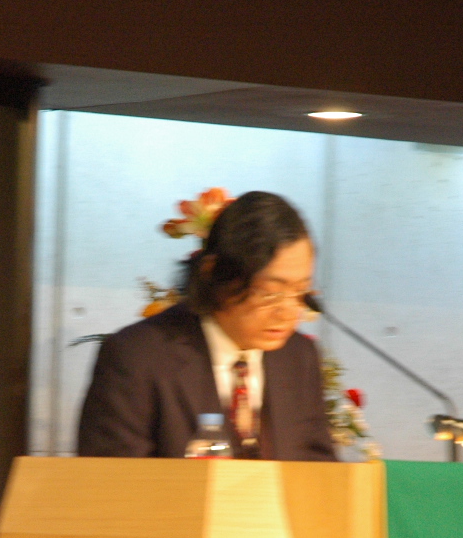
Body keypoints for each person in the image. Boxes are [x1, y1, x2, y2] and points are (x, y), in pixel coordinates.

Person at [77, 191, 337, 460]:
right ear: (213, 272)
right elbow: (111, 478)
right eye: (269, 293)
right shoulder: (138, 357)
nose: (287, 313)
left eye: (300, 291)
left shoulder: (298, 358)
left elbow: (319, 468)